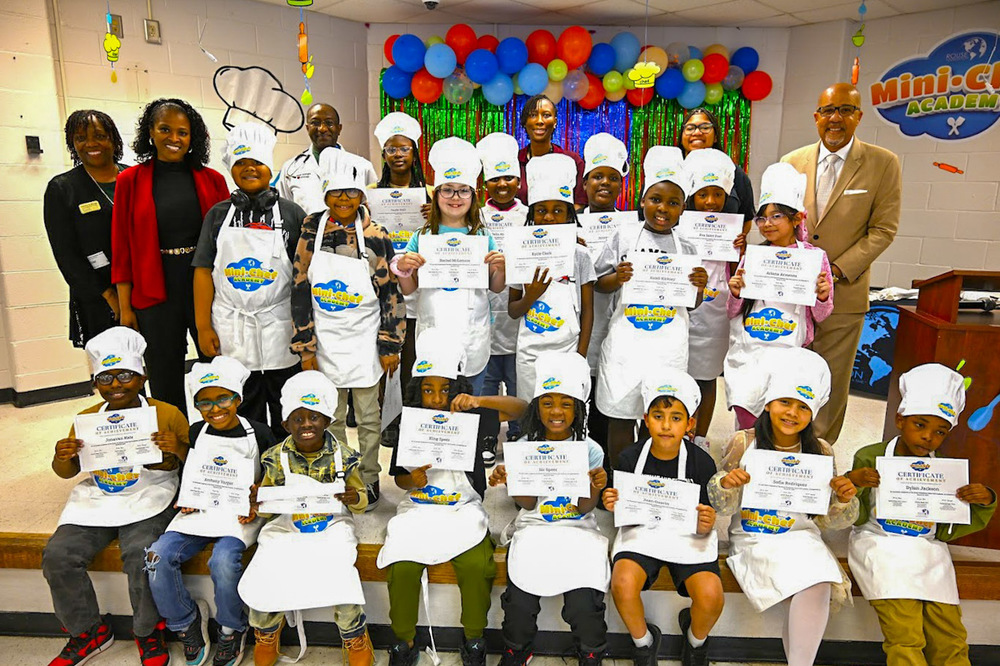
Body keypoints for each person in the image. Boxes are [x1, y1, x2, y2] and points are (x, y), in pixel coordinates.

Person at [378, 329, 527, 666]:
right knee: (400, 564)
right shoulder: (409, 422)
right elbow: (399, 477)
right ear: (418, 390)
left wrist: (480, 401)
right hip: (418, 506)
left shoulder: (473, 415)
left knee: (476, 565)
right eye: (428, 389)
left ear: (457, 389)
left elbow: (522, 409)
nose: (436, 397)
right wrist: (410, 479)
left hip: (462, 508)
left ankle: (473, 639)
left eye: (445, 389)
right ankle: (404, 640)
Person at [42, 327, 189, 666]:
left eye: (125, 375)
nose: (116, 384)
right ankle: (87, 632)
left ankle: (148, 631)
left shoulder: (166, 413)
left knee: (141, 554)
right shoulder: (87, 419)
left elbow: (188, 463)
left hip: (148, 496)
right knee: (58, 555)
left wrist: (176, 449)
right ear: (96, 383)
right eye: (105, 378)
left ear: (142, 376)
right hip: (98, 498)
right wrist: (62, 456)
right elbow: (67, 472)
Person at [708, 347, 858, 666]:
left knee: (817, 578)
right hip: (754, 537)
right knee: (807, 578)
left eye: (802, 407)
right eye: (784, 402)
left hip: (801, 536)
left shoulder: (822, 451)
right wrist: (727, 483)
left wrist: (843, 498)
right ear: (768, 404)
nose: (792, 413)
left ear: (813, 413)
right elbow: (720, 506)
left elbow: (828, 520)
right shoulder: (743, 442)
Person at [847, 364, 996, 666]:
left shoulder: (945, 471)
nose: (928, 437)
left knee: (950, 639)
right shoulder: (869, 456)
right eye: (920, 425)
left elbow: (944, 531)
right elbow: (854, 516)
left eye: (940, 431)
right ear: (900, 419)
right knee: (905, 636)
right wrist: (855, 482)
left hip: (930, 556)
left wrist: (983, 501)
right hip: (881, 548)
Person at [781, 83, 901, 444]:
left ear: (859, 117)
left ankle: (819, 457)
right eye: (828, 110)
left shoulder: (883, 163)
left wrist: (832, 271)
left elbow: (883, 229)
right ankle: (780, 452)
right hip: (790, 295)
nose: (836, 118)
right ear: (816, 117)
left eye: (846, 110)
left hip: (844, 293)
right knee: (788, 376)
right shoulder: (791, 162)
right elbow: (778, 221)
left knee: (830, 380)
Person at [290, 147, 405, 510]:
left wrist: (390, 344)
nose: (343, 199)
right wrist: (306, 347)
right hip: (325, 341)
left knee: (370, 419)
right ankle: (339, 479)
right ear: (325, 194)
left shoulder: (375, 234)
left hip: (365, 341)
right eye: (336, 193)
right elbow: (300, 287)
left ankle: (369, 479)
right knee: (332, 417)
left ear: (361, 195)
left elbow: (390, 292)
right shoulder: (311, 227)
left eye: (351, 192)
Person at [237, 371, 374, 666]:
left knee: (341, 569)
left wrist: (354, 497)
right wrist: (257, 500)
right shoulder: (273, 458)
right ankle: (266, 629)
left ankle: (354, 633)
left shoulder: (346, 456)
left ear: (327, 420)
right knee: (266, 565)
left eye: (314, 417)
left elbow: (362, 501)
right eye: (298, 419)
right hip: (287, 525)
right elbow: (268, 507)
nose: (306, 425)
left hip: (331, 525)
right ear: (286, 424)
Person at [146, 356, 272, 666]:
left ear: (238, 399)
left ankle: (232, 627)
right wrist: (187, 494)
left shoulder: (259, 432)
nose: (214, 409)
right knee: (156, 557)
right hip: (198, 511)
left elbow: (273, 473)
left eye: (223, 399)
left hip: (239, 515)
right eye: (204, 403)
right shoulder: (194, 431)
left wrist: (260, 497)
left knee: (224, 562)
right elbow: (192, 470)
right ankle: (185, 621)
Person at [489, 351, 609, 666]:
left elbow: (583, 510)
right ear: (538, 407)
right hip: (535, 527)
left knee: (585, 601)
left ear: (578, 410)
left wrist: (596, 484)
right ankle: (517, 649)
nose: (556, 411)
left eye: (566, 404)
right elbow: (528, 504)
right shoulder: (526, 445)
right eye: (547, 402)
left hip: (577, 530)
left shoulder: (592, 450)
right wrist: (513, 480)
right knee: (519, 602)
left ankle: (591, 651)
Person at [112, 98, 230, 411]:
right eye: (165, 129)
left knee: (216, 366)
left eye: (183, 132)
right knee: (164, 372)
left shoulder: (213, 180)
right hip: (154, 287)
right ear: (150, 131)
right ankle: (173, 447)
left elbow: (230, 243)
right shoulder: (129, 181)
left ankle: (220, 441)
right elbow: (121, 247)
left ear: (193, 138)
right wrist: (125, 308)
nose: (174, 138)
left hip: (204, 285)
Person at [594, 146, 708, 467]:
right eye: (655, 199)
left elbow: (693, 303)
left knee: (656, 417)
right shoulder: (624, 235)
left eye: (673, 203)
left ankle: (643, 478)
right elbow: (598, 282)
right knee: (619, 413)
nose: (663, 208)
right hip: (626, 345)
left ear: (682, 209)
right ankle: (618, 477)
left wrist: (699, 285)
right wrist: (617, 277)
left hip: (667, 347)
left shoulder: (686, 246)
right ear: (642, 200)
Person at [192, 122, 304, 440]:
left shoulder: (292, 214)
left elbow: (304, 276)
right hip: (231, 324)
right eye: (241, 163)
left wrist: (306, 330)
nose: (250, 169)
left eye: (257, 162)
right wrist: (203, 326)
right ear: (231, 169)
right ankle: (247, 468)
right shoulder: (217, 215)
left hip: (280, 324)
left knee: (287, 407)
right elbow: (202, 271)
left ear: (270, 168)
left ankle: (285, 469)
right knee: (243, 405)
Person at [603, 371, 723, 666]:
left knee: (711, 595)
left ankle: (696, 644)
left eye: (676, 418)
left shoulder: (702, 462)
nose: (666, 426)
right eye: (658, 416)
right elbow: (623, 509)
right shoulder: (629, 458)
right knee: (621, 583)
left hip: (687, 538)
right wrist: (612, 503)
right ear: (646, 419)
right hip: (643, 534)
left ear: (690, 423)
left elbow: (706, 515)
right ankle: (643, 644)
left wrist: (707, 521)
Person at [724, 163, 834, 431]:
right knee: (747, 414)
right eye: (762, 218)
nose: (767, 224)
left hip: (788, 352)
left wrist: (822, 296)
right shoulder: (753, 256)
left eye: (776, 217)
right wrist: (736, 292)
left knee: (776, 419)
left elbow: (821, 315)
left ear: (796, 219)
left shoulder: (814, 258)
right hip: (749, 350)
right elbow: (732, 311)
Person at [393, 137, 506, 393]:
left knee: (469, 401)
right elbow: (410, 289)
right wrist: (403, 269)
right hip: (434, 332)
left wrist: (500, 267)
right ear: (436, 194)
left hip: (472, 334)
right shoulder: (422, 236)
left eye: (463, 190)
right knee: (436, 401)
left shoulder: (482, 236)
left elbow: (496, 288)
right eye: (447, 189)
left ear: (473, 196)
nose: (455, 197)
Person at [508, 153, 596, 404]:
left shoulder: (580, 254)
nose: (548, 217)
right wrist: (531, 296)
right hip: (529, 353)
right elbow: (513, 311)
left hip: (567, 350)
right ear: (532, 214)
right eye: (541, 210)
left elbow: (588, 311)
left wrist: (580, 355)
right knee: (530, 412)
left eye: (558, 210)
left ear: (569, 215)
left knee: (564, 413)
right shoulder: (520, 252)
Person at [44, 110, 128, 347]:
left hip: (141, 289)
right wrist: (110, 295)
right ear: (73, 144)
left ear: (113, 138)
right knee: (115, 370)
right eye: (81, 138)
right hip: (98, 296)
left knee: (155, 361)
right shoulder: (63, 188)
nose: (91, 143)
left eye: (99, 136)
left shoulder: (133, 177)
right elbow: (66, 255)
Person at [682, 147, 742, 442]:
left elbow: (738, 275)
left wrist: (739, 251)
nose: (710, 202)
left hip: (714, 316)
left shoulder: (732, 231)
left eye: (717, 194)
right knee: (679, 377)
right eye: (703, 194)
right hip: (680, 314)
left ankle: (700, 440)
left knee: (706, 379)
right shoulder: (677, 224)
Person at [476, 132, 529, 462]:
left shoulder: (530, 215)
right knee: (486, 387)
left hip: (522, 320)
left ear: (519, 180)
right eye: (495, 178)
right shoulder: (476, 216)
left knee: (518, 385)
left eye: (509, 177)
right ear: (486, 183)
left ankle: (520, 435)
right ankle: (486, 438)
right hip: (484, 317)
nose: (503, 184)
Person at [579, 132, 631, 449]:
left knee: (606, 387)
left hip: (622, 319)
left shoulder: (633, 224)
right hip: (582, 318)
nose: (604, 184)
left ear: (621, 186)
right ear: (584, 184)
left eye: (613, 178)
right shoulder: (570, 223)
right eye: (597, 176)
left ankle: (601, 452)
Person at [373, 112, 428, 403]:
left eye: (404, 148)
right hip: (381, 285)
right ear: (383, 153)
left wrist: (437, 215)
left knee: (411, 356)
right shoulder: (370, 194)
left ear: (414, 151)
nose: (397, 155)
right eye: (391, 149)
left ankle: (409, 413)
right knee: (383, 353)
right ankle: (386, 417)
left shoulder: (431, 194)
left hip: (416, 288)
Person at [276, 103, 377, 216]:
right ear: (307, 128)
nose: (322, 129)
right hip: (305, 233)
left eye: (329, 123)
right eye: (315, 123)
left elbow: (373, 209)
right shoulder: (291, 168)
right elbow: (284, 212)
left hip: (350, 233)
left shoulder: (362, 166)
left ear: (339, 128)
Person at [676, 107, 755, 224]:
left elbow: (746, 219)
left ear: (716, 136)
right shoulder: (672, 170)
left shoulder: (734, 172)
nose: (697, 132)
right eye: (690, 128)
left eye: (705, 127)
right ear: (682, 136)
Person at [516, 95, 586, 210]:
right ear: (524, 122)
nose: (539, 121)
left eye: (546, 115)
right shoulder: (514, 162)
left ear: (555, 122)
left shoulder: (572, 160)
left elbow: (579, 203)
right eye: (533, 115)